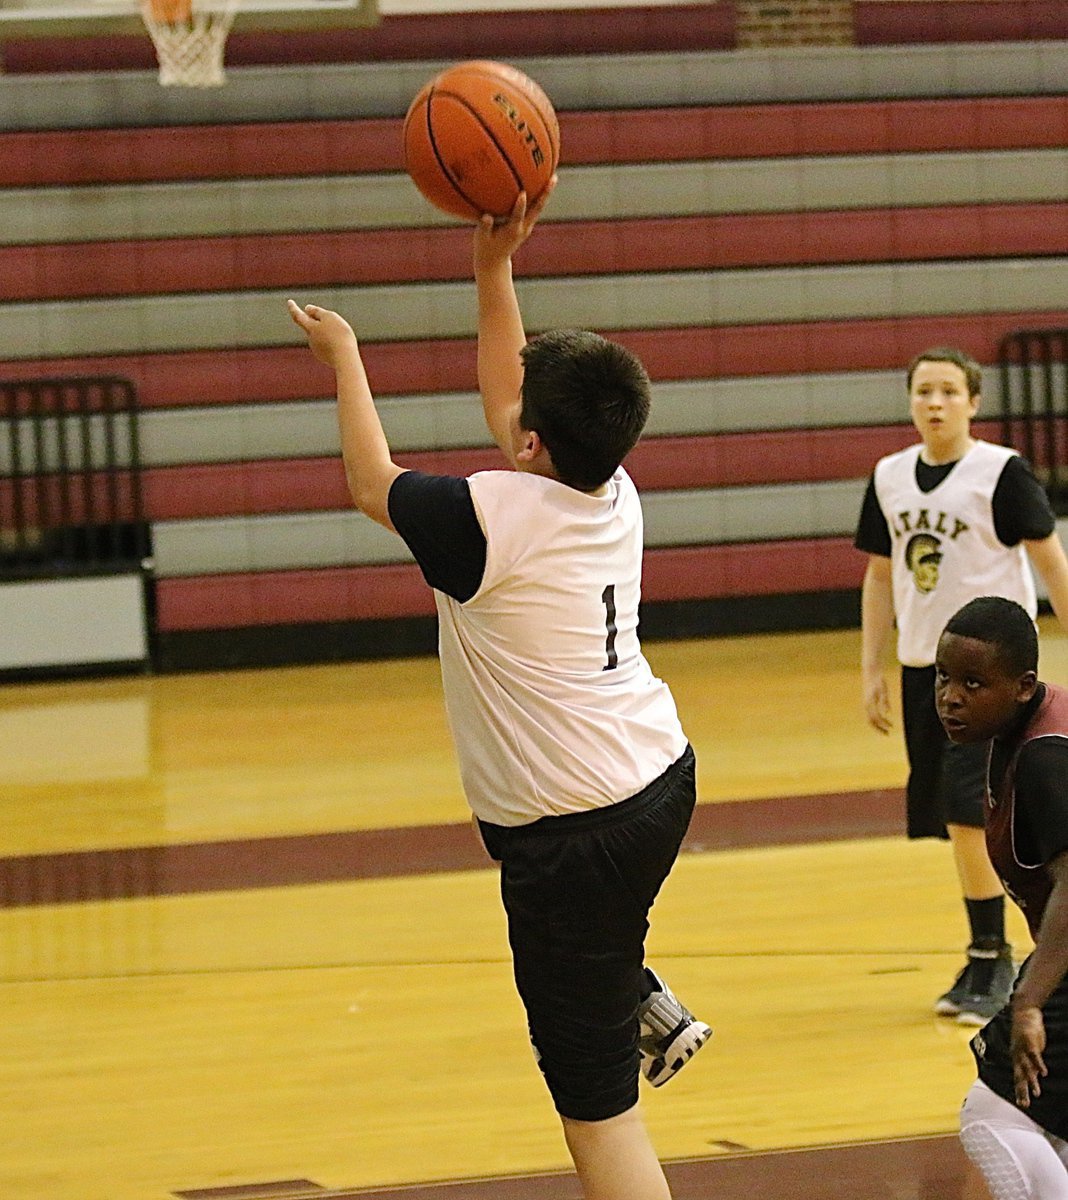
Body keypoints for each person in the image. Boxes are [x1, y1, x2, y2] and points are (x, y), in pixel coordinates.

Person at [287, 186, 710, 1200]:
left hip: (575, 830)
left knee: (596, 1111)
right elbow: (506, 408)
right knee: (594, 942)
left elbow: (365, 480)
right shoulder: (609, 485)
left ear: (531, 442)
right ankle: (633, 994)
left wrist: (345, 356)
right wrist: (492, 270)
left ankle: (619, 1006)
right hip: (658, 776)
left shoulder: (485, 521)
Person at [854, 346, 1068, 1026]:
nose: (936, 403)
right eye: (924, 391)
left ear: (974, 402)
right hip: (925, 669)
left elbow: (1048, 560)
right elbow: (881, 575)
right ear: (911, 401)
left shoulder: (999, 473)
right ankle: (996, 951)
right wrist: (871, 667)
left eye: (949, 391)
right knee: (952, 818)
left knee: (965, 811)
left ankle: (992, 955)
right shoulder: (889, 477)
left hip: (989, 678)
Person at [934, 596, 1068, 1199]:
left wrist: (1031, 1001)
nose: (950, 697)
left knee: (995, 1112)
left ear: (1023, 687)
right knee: (1046, 1115)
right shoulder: (1026, 728)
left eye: (972, 683)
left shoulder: (1044, 761)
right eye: (943, 678)